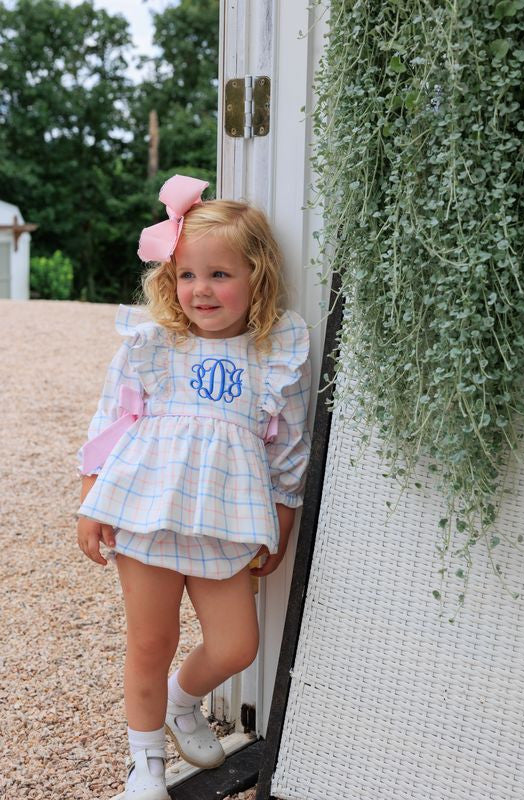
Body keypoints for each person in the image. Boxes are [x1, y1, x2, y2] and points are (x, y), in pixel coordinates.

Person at [76, 174, 312, 800]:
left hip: (227, 516)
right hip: (149, 507)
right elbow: (112, 417)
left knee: (237, 645)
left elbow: (289, 445)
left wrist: (283, 520)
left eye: (219, 275)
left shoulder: (274, 350)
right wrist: (91, 496)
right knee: (152, 640)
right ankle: (146, 761)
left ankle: (184, 703)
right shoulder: (156, 343)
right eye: (187, 275)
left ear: (256, 276)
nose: (201, 290)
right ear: (170, 279)